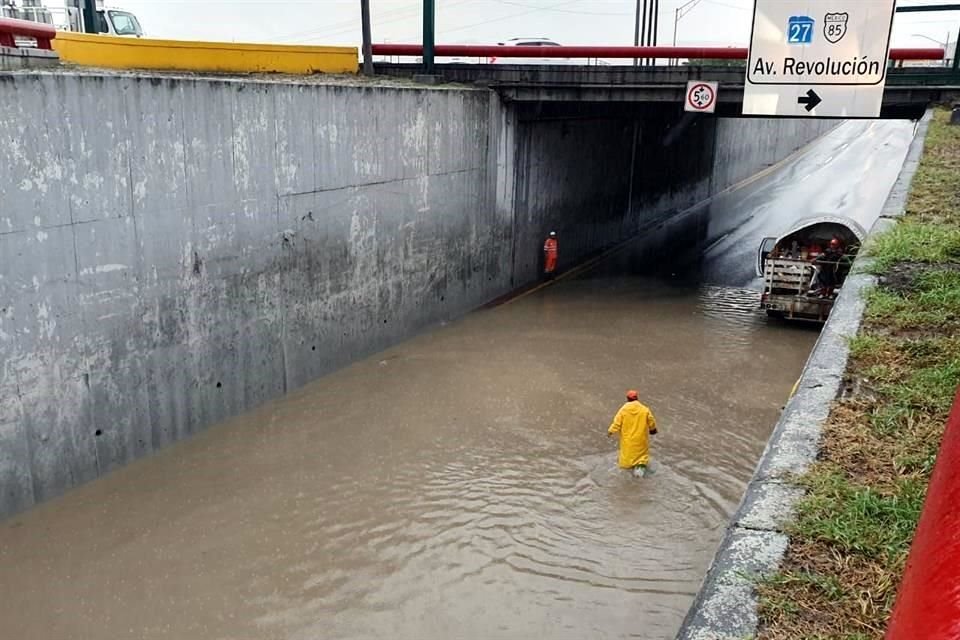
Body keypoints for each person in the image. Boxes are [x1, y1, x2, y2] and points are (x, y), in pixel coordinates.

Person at [608, 390, 658, 478]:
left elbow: (617, 423)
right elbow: (651, 420)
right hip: (640, 438)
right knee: (642, 455)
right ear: (637, 398)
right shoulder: (644, 409)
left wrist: (611, 431)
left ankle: (628, 469)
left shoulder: (623, 410)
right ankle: (640, 468)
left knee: (627, 456)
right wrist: (652, 430)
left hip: (628, 439)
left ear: (627, 398)